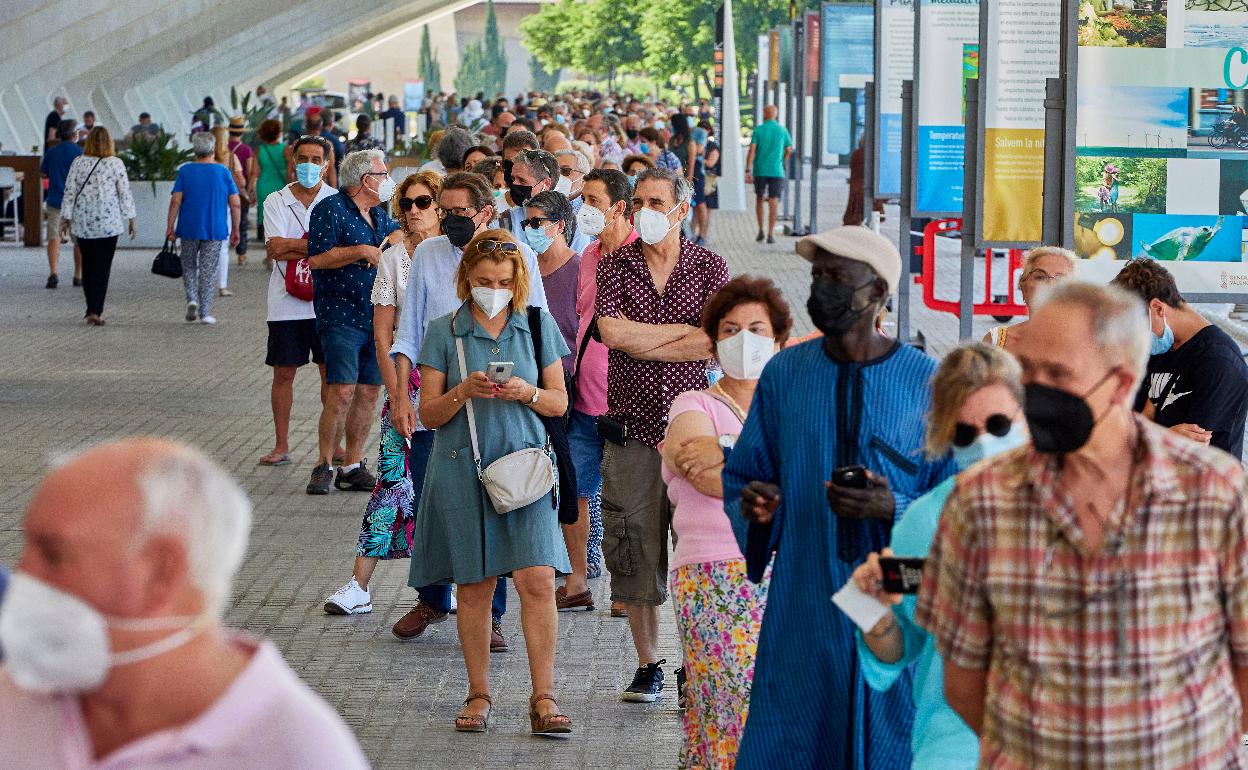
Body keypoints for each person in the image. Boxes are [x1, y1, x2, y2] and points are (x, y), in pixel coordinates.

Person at [916, 281, 1248, 768]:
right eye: (1027, 370)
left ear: (1120, 382)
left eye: (1058, 373)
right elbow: (963, 677)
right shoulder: (980, 501)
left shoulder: (1212, 493)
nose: (1035, 390)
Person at [723, 226, 955, 768]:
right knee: (794, 738)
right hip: (805, 599)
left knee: (893, 737)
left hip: (896, 601)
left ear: (876, 293)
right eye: (817, 275)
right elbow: (746, 477)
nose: (821, 289)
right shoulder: (785, 374)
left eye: (836, 277)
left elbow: (957, 504)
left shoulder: (927, 383)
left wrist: (891, 507)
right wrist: (759, 507)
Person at [0, 438, 368, 768]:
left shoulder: (299, 752)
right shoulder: (17, 692)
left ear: (162, 572)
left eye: (53, 555)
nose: (23, 576)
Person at [407, 228, 573, 735]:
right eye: (483, 279)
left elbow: (561, 402)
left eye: (502, 279)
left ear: (518, 279)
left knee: (538, 579)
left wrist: (526, 392)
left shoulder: (538, 327)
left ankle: (543, 696)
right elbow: (428, 413)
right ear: (465, 278)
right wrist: (463, 391)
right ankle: (478, 693)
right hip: (460, 468)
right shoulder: (443, 330)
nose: (493, 288)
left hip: (525, 468)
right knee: (474, 585)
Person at [389, 171, 547, 648]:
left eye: (461, 212)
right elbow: (409, 332)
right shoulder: (430, 254)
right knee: (432, 501)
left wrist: (526, 391)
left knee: (496, 502)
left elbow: (534, 327)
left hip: (499, 403)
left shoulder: (518, 255)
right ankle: (433, 597)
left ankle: (492, 613)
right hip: (437, 396)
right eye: (446, 210)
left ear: (484, 211)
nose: (451, 219)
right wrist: (402, 396)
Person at [851, 343, 1027, 770]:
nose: (984, 443)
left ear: (1027, 415)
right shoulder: (926, 520)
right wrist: (872, 614)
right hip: (952, 747)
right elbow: (902, 648)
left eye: (999, 424)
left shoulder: (1076, 505)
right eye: (965, 434)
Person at [596, 167, 729, 702]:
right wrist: (680, 336)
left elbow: (712, 343)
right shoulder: (617, 266)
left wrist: (644, 341)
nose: (645, 210)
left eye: (656, 201)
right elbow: (611, 332)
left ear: (680, 209)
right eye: (638, 202)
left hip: (691, 432)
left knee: (694, 549)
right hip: (630, 433)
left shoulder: (709, 266)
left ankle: (693, 667)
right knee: (635, 550)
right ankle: (649, 663)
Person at [663, 276, 791, 770]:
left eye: (757, 329)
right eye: (731, 329)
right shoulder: (692, 405)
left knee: (778, 706)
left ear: (779, 340)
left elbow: (811, 478)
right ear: (714, 340)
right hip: (712, 570)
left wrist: (730, 453)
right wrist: (781, 470)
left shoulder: (791, 406)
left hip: (788, 570)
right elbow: (702, 475)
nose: (744, 340)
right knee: (727, 704)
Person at [323, 171, 442, 615]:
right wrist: (395, 398)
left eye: (423, 201)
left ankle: (451, 593)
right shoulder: (393, 258)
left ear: (440, 206)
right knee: (392, 479)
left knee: (448, 489)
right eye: (406, 203)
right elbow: (383, 333)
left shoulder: (460, 253)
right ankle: (359, 585)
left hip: (452, 384)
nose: (414, 210)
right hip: (406, 383)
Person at [304, 149, 399, 495]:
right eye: (383, 174)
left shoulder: (379, 215)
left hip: (375, 318)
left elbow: (396, 239)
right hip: (340, 315)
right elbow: (316, 258)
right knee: (341, 390)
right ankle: (324, 464)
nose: (388, 180)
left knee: (369, 393)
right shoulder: (330, 210)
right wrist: (361, 251)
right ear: (365, 180)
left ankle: (353, 465)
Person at [522, 190, 594, 609]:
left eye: (537, 223)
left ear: (559, 224)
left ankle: (577, 576)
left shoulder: (580, 269)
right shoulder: (522, 269)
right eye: (526, 223)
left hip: (570, 386)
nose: (529, 230)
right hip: (527, 386)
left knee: (574, 485)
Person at [570, 169, 636, 611]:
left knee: (625, 496)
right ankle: (577, 580)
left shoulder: (644, 256)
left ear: (618, 207)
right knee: (575, 486)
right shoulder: (589, 254)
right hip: (582, 395)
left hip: (626, 400)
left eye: (593, 200)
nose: (585, 208)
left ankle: (624, 587)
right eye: (583, 199)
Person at [1112, 257, 1248, 459]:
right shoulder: (1161, 348)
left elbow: (1191, 449)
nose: (1135, 335)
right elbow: (1130, 423)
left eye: (1135, 325)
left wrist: (1152, 434)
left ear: (1158, 308)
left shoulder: (1219, 360)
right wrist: (1164, 436)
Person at [258, 134, 338, 468]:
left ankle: (330, 450)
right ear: (293, 160)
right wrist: (327, 248)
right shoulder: (276, 201)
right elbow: (274, 248)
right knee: (283, 375)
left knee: (330, 377)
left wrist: (296, 245)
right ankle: (281, 445)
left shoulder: (336, 201)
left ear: (326, 164)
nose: (308, 165)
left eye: (315, 159)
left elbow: (342, 248)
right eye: (302, 158)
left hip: (328, 303)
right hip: (284, 303)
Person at [59, 126, 136, 326]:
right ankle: (96, 310)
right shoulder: (116, 164)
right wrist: (131, 218)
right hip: (109, 225)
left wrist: (65, 219)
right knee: (103, 268)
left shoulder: (78, 163)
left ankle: (90, 308)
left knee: (88, 265)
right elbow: (124, 193)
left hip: (83, 223)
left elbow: (69, 192)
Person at [167, 132, 240, 326]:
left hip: (189, 227)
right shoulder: (223, 172)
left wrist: (170, 227)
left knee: (189, 265)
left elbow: (175, 200)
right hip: (215, 229)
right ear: (213, 149)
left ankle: (192, 298)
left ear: (194, 150)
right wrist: (236, 230)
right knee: (208, 270)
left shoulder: (185, 171)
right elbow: (235, 203)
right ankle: (205, 312)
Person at [982, 246, 1075, 353]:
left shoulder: (1090, 346)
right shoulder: (997, 342)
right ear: (1023, 287)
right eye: (1040, 277)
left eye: (1060, 279)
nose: (1049, 285)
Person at [505, 150, 592, 253]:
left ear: (546, 183)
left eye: (522, 180)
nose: (514, 184)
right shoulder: (505, 220)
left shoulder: (574, 225)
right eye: (513, 179)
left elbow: (578, 264)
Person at [41, 118, 83, 289]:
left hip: (55, 200)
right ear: (74, 135)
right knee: (79, 240)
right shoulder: (80, 152)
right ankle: (78, 275)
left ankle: (53, 273)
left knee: (54, 237)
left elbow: (43, 174)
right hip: (76, 202)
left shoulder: (52, 152)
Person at [745, 105, 792, 244]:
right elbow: (788, 150)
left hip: (760, 170)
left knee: (759, 199)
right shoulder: (782, 130)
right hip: (777, 171)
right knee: (773, 201)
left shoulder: (759, 130)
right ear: (775, 115)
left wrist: (748, 168)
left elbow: (752, 150)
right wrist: (782, 160)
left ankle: (761, 230)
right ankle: (771, 234)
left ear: (765, 114)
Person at [211, 125, 245, 296]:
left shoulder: (204, 160)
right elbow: (241, 179)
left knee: (200, 247)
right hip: (225, 206)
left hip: (206, 204)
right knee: (223, 248)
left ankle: (201, 282)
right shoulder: (231, 158)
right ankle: (222, 286)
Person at [250, 119, 287, 246]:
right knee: (283, 218)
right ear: (278, 133)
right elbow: (290, 172)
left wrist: (250, 190)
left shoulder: (259, 150)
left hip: (264, 186)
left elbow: (254, 173)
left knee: (268, 220)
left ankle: (269, 254)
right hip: (282, 187)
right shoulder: (286, 149)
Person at [225, 117, 255, 264]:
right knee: (241, 221)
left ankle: (224, 247)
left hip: (224, 189)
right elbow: (249, 172)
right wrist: (249, 190)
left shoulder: (222, 148)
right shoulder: (246, 149)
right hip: (239, 189)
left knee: (225, 217)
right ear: (242, 132)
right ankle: (241, 254)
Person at [694, 120, 719, 246]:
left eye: (706, 128)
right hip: (698, 178)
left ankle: (703, 235)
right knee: (695, 209)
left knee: (707, 210)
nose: (703, 130)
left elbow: (711, 163)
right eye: (701, 127)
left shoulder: (712, 145)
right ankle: (695, 234)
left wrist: (696, 158)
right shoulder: (696, 142)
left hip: (709, 181)